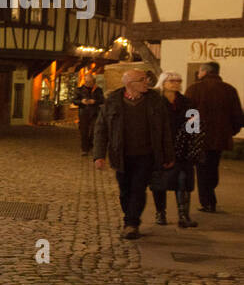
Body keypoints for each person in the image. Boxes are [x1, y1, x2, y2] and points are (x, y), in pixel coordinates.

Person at [92, 69, 175, 240]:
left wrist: (168, 155)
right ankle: (130, 217)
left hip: (146, 154)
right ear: (130, 84)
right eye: (142, 80)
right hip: (121, 155)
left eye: (146, 79)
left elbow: (166, 129)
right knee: (125, 191)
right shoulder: (113, 101)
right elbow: (101, 129)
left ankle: (131, 223)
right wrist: (99, 155)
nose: (147, 82)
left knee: (138, 188)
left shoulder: (155, 101)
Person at [184, 61, 244, 213]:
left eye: (199, 71)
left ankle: (208, 202)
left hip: (200, 137)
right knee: (213, 166)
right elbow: (238, 116)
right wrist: (230, 132)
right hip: (220, 138)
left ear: (203, 72)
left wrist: (191, 135)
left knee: (202, 170)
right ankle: (210, 197)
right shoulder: (229, 90)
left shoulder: (194, 89)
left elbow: (189, 115)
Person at [149, 72, 198, 228]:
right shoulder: (155, 102)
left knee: (183, 181)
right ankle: (160, 213)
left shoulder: (187, 102)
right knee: (160, 183)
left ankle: (184, 216)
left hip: (183, 149)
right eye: (172, 81)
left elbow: (194, 125)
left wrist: (191, 139)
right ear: (163, 83)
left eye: (178, 80)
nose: (175, 83)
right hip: (161, 149)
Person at [72, 71, 104, 155]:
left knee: (94, 131)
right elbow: (74, 101)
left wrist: (95, 101)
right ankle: (85, 149)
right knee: (84, 131)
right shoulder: (79, 90)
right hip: (84, 113)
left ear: (93, 82)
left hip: (95, 113)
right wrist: (81, 101)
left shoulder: (98, 90)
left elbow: (102, 100)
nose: (88, 83)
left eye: (90, 82)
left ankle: (90, 145)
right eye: (86, 81)